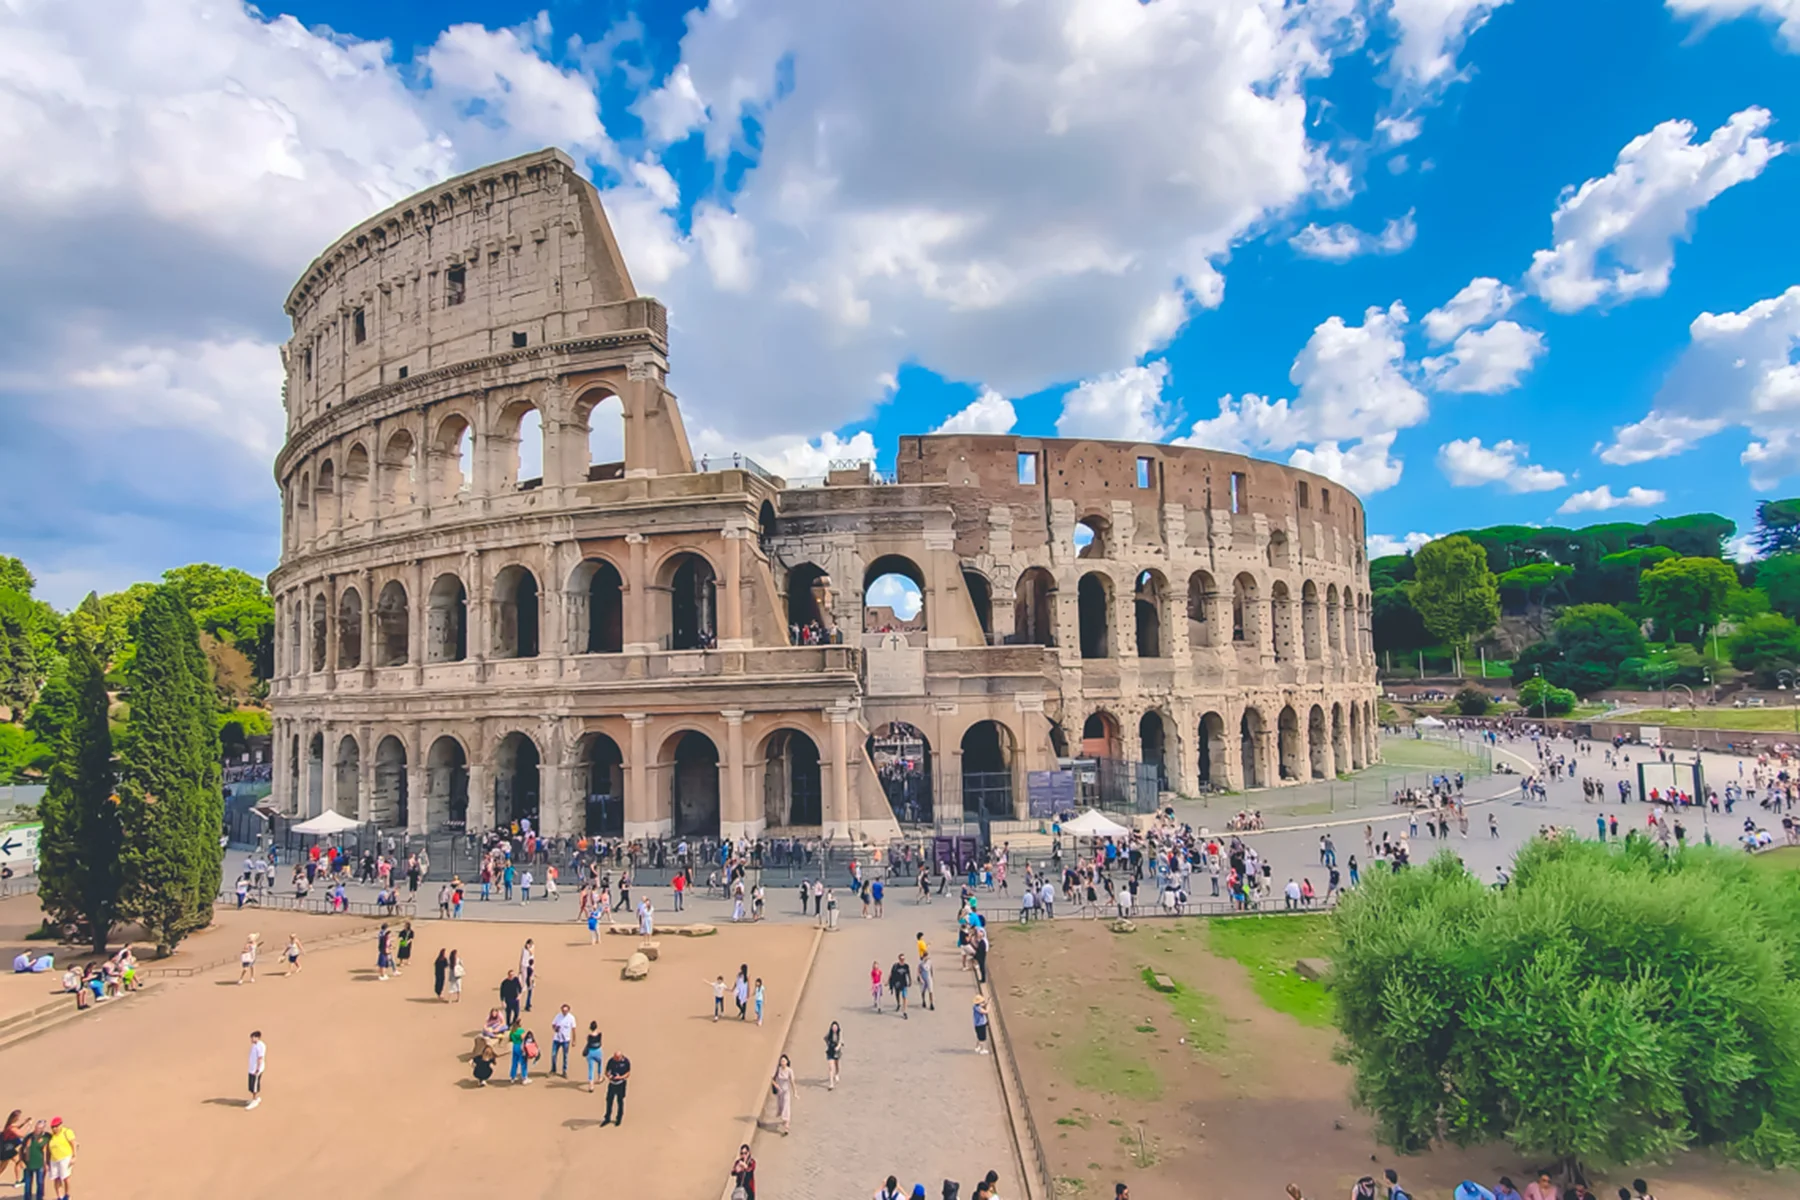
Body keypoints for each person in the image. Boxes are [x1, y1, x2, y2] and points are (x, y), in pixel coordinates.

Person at [44, 1118, 74, 1200]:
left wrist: (74, 1157)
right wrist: (47, 1162)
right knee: (56, 1178)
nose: (54, 1129)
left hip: (65, 1158)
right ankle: (59, 1196)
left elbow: (73, 1144)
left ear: (60, 1125)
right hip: (54, 1159)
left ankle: (67, 1195)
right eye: (52, 1127)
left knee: (65, 1177)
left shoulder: (66, 1132)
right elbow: (48, 1150)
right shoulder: (51, 1136)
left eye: (56, 1126)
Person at [17, 1119, 47, 1200]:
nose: (37, 1130)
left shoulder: (46, 1137)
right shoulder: (28, 1137)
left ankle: (39, 1198)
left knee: (40, 1183)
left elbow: (54, 1143)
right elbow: (20, 1149)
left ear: (43, 1129)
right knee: (27, 1184)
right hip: (28, 1164)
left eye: (40, 1128)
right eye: (36, 1128)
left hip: (40, 1164)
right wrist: (21, 1161)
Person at [603, 1049, 631, 1125]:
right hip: (612, 1084)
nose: (615, 1059)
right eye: (614, 1057)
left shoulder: (626, 1062)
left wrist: (620, 1077)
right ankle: (607, 1118)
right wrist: (609, 1075)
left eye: (617, 1058)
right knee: (609, 1100)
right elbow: (606, 1071)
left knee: (620, 1101)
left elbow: (628, 1073)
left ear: (620, 1057)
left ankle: (619, 1118)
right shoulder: (611, 1061)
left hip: (621, 1084)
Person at [770, 1053, 794, 1135]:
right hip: (780, 1092)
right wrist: (776, 1085)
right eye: (782, 1061)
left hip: (786, 1092)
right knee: (781, 1106)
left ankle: (786, 1127)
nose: (783, 1062)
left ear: (787, 1061)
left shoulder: (789, 1071)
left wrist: (795, 1093)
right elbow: (772, 1078)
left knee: (786, 1108)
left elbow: (792, 1082)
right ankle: (784, 1120)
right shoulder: (778, 1070)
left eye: (784, 1061)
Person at [551, 1004, 577, 1076]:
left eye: (565, 1010)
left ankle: (564, 1071)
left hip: (566, 1040)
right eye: (563, 1010)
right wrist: (555, 1028)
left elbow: (573, 1029)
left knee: (565, 1055)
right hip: (557, 1039)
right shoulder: (558, 1016)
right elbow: (553, 1024)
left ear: (568, 1010)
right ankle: (553, 1069)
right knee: (553, 1054)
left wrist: (574, 1040)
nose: (564, 1012)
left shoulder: (571, 1018)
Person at [245, 1030, 266, 1110]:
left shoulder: (261, 1046)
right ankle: (253, 1098)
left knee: (255, 1085)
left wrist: (257, 1069)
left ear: (257, 1037)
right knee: (251, 1084)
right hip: (251, 1068)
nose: (251, 1040)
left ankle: (254, 1100)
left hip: (256, 1069)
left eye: (253, 1038)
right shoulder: (254, 1045)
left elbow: (260, 1058)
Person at [582, 1021, 604, 1091]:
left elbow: (588, 1043)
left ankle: (591, 1085)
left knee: (591, 1069)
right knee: (600, 1063)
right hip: (598, 1051)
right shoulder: (599, 1034)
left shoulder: (589, 1036)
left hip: (590, 1052)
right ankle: (600, 1077)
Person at [889, 953, 912, 1018]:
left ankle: (904, 1011)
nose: (902, 960)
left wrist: (910, 981)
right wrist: (889, 982)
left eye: (903, 959)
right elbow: (891, 974)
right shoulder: (895, 966)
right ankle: (898, 1004)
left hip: (904, 983)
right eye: (901, 959)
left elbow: (908, 973)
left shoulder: (906, 966)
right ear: (899, 959)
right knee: (897, 995)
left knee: (904, 996)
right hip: (897, 983)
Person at [824, 1021, 843, 1090]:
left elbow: (841, 1041)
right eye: (833, 1027)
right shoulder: (829, 1034)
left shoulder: (839, 1034)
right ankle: (831, 1083)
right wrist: (828, 1044)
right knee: (831, 1067)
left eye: (835, 1027)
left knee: (836, 1064)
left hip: (836, 1052)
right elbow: (825, 1038)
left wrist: (838, 1047)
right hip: (830, 1051)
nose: (834, 1028)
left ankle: (837, 1073)